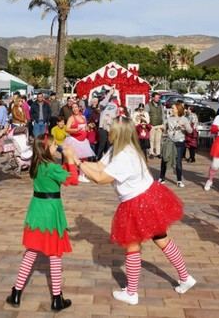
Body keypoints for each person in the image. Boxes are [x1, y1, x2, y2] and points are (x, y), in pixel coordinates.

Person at [75, 117, 196, 305]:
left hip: (138, 203)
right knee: (161, 238)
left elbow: (100, 178)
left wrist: (78, 163)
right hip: (148, 198)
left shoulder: (124, 155)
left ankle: (132, 293)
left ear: (118, 133)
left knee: (133, 245)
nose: (108, 130)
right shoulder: (119, 149)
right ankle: (185, 277)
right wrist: (80, 162)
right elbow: (99, 166)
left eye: (111, 128)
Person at [6, 134, 74, 311]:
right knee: (55, 254)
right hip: (51, 212)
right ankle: (57, 298)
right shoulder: (52, 167)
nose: (56, 147)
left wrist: (64, 159)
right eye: (53, 145)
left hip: (36, 210)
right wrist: (70, 159)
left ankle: (16, 292)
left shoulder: (37, 165)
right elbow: (71, 179)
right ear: (46, 148)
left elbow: (60, 174)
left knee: (31, 252)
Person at [161, 102, 192, 187]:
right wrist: (163, 129)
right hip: (169, 141)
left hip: (179, 142)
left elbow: (190, 131)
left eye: (173, 108)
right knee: (165, 159)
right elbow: (165, 128)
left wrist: (183, 127)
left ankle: (179, 180)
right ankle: (161, 177)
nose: (171, 109)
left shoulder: (184, 119)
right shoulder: (169, 118)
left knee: (178, 162)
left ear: (178, 109)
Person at [65, 103, 95, 182]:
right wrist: (75, 130)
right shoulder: (71, 118)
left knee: (84, 158)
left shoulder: (83, 117)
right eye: (73, 107)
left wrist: (89, 127)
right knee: (74, 159)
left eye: (76, 107)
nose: (75, 109)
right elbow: (67, 129)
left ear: (79, 108)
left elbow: (85, 128)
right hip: (74, 140)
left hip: (83, 141)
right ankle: (73, 175)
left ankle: (82, 175)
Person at [146, 92, 164, 158]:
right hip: (152, 125)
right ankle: (151, 153)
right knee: (151, 140)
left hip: (159, 125)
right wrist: (148, 125)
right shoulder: (148, 105)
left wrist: (163, 124)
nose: (157, 99)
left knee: (158, 140)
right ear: (153, 98)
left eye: (158, 98)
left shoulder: (161, 105)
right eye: (156, 97)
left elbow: (163, 115)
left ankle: (158, 153)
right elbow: (146, 115)